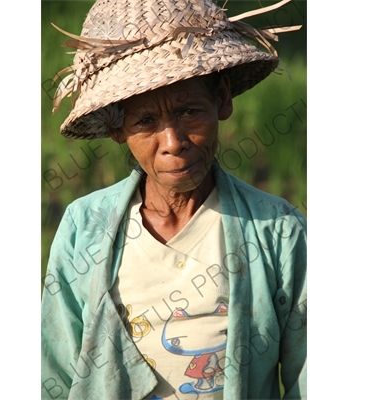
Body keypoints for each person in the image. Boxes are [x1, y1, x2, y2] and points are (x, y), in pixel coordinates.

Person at [41, 0, 306, 399]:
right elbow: (56, 371)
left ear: (222, 100)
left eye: (189, 112)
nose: (173, 143)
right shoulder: (85, 227)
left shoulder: (277, 230)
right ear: (117, 127)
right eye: (145, 121)